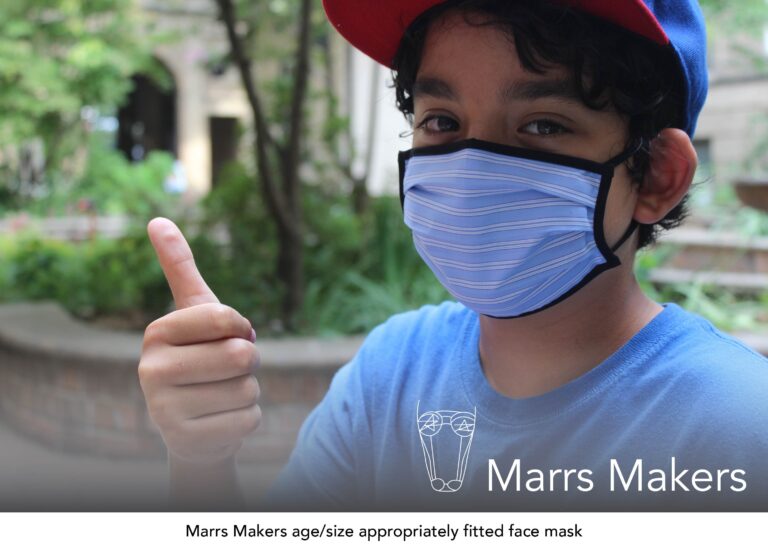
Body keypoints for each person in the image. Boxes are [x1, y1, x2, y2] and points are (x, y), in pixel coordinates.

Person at [138, 0, 768, 511]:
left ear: (657, 176)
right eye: (441, 121)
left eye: (543, 124)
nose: (471, 166)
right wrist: (200, 464)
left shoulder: (735, 423)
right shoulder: (390, 373)